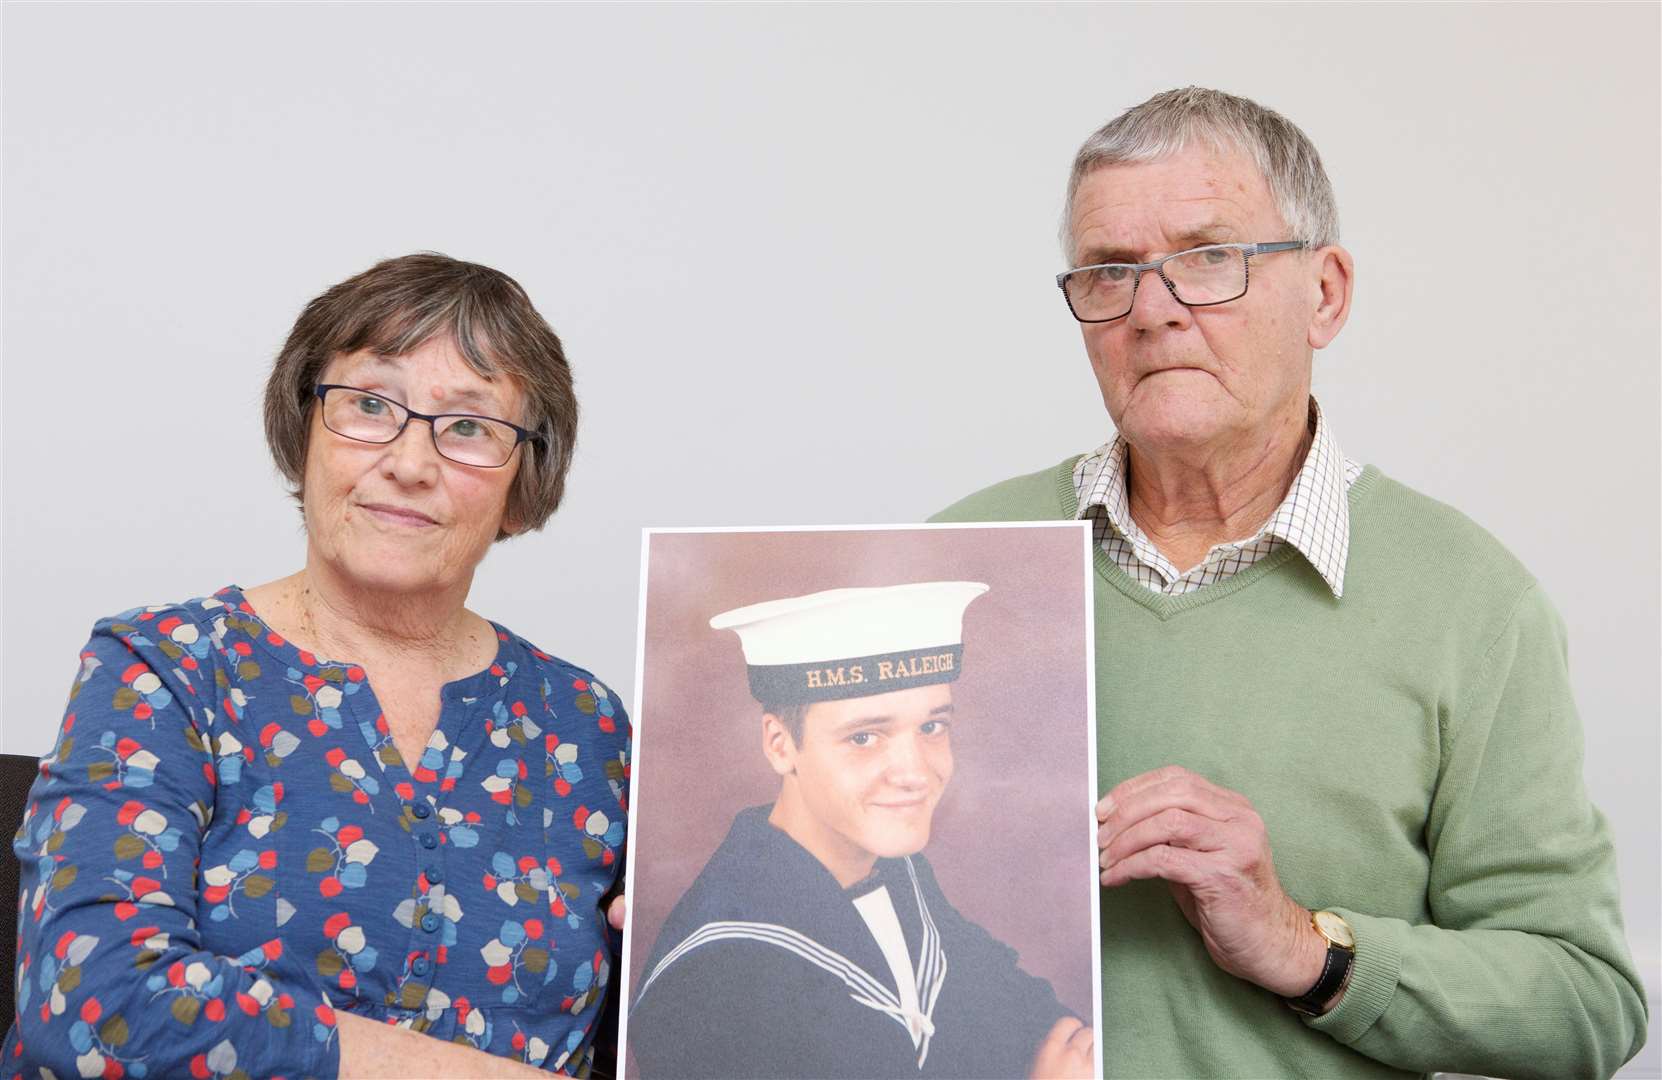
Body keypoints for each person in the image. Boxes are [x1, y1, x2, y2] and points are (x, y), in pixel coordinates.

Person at [933, 87, 1649, 1078]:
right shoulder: (954, 563)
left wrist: (1304, 948)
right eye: (1109, 272)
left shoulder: (1473, 606)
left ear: (1326, 294)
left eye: (1207, 259)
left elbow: (1587, 1004)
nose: (1151, 312)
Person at [4, 254, 631, 1078]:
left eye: (470, 426)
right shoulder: (167, 669)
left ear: (522, 485)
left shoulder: (587, 725)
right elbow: (93, 1001)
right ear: (303, 434)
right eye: (370, 404)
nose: (411, 462)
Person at [627, 582, 1094, 1080]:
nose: (914, 774)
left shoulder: (900, 875)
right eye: (865, 737)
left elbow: (1046, 1026)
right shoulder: (714, 980)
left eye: (932, 727)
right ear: (781, 745)